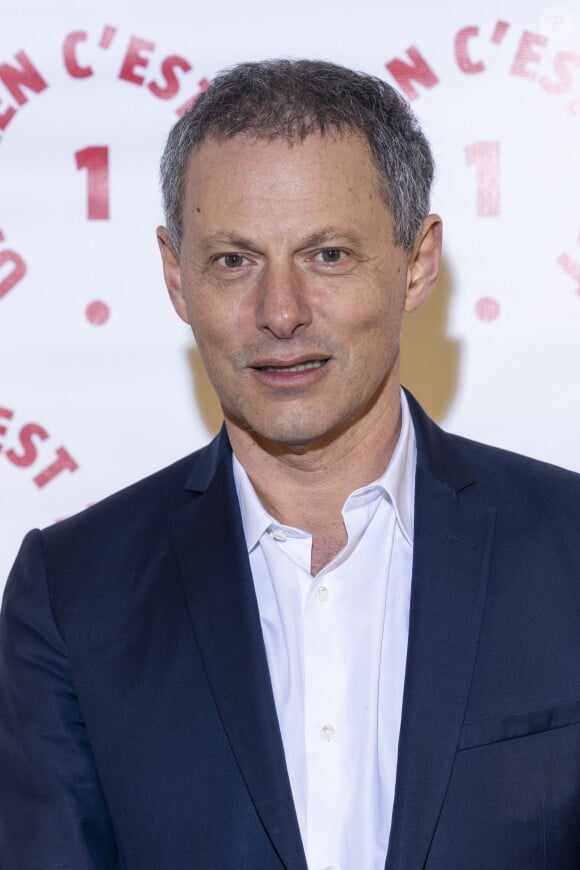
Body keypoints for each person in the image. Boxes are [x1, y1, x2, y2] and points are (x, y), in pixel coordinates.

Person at [1, 58, 580, 870]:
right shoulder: (71, 595)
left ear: (417, 261)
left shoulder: (567, 550)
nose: (280, 313)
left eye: (329, 255)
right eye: (234, 260)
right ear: (176, 277)